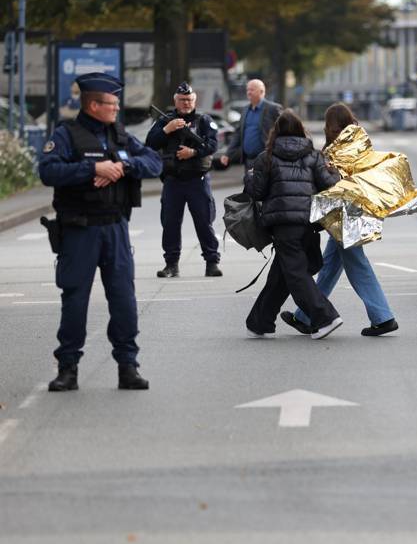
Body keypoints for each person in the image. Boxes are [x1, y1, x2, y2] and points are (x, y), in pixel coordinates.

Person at [38, 72, 163, 392]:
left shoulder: (119, 136)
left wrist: (121, 167)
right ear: (93, 104)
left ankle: (127, 366)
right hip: (80, 230)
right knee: (75, 299)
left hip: (115, 229)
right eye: (112, 104)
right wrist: (92, 168)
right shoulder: (67, 134)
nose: (117, 109)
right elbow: (48, 171)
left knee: (124, 300)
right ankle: (68, 368)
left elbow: (154, 162)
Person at [280, 103, 399, 337]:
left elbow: (335, 179)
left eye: (329, 126)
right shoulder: (358, 139)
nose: (327, 130)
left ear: (335, 127)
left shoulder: (344, 146)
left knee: (357, 265)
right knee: (330, 265)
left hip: (347, 215)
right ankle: (305, 316)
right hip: (352, 212)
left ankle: (383, 317)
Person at [245, 110, 343, 339]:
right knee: (282, 273)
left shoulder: (266, 157)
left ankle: (325, 317)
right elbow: (330, 185)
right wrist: (334, 171)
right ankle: (260, 322)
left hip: (282, 225)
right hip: (308, 223)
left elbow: (257, 192)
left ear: (275, 132)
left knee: (296, 274)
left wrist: (250, 177)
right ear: (301, 129)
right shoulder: (313, 155)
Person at [145, 82, 222, 278]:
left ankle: (211, 263)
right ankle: (171, 264)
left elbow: (213, 144)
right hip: (173, 180)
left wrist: (193, 152)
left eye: (189, 99)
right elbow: (150, 143)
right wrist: (167, 130)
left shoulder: (204, 120)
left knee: (204, 222)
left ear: (194, 100)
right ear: (175, 101)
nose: (186, 103)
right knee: (170, 223)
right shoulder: (165, 121)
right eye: (182, 100)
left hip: (198, 179)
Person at [220, 79, 282, 169]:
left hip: (267, 160)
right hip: (248, 161)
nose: (249, 92)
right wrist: (228, 154)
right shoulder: (245, 110)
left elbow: (283, 131)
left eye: (252, 90)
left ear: (261, 91)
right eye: (247, 90)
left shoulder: (273, 109)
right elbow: (238, 134)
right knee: (249, 183)